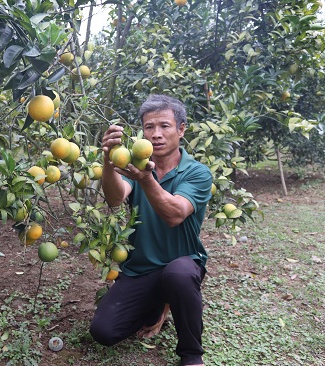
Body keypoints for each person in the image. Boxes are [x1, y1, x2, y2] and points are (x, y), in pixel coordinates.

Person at [90, 94, 212, 366]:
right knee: (103, 332)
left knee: (179, 274)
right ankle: (158, 306)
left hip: (182, 263)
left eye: (164, 126)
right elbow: (114, 198)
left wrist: (146, 179)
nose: (156, 134)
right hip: (141, 268)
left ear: (181, 129)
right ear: (141, 132)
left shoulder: (197, 172)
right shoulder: (133, 165)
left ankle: (192, 355)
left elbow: (175, 214)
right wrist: (108, 164)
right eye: (149, 127)